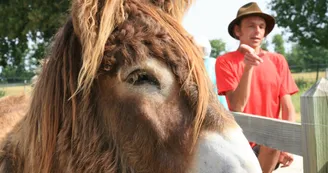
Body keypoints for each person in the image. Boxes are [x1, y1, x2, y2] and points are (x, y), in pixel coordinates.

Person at [215, 2, 299, 173]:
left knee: (272, 141)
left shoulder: (278, 60)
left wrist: (286, 146)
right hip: (239, 144)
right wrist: (248, 68)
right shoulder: (225, 61)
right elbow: (237, 107)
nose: (258, 31)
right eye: (251, 26)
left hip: (270, 146)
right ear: (238, 31)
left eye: (261, 26)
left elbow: (288, 107)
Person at [193, 35, 229, 109]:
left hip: (217, 105)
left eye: (199, 48)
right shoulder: (191, 65)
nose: (197, 50)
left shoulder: (212, 63)